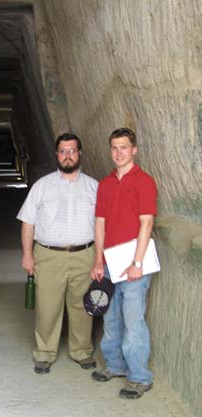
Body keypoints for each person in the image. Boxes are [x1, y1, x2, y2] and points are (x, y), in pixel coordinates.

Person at [17, 133, 98, 374]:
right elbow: (28, 222)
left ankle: (81, 350)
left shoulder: (94, 187)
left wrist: (99, 257)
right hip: (48, 255)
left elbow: (102, 224)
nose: (67, 155)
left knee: (83, 306)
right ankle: (44, 353)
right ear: (56, 154)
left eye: (72, 150)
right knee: (47, 306)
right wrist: (27, 255)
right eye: (63, 151)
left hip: (85, 253)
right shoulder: (42, 186)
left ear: (80, 153)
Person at [90, 127, 157, 399]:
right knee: (111, 318)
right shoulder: (105, 184)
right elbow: (100, 223)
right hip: (109, 262)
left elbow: (147, 222)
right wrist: (98, 260)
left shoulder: (144, 181)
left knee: (133, 321)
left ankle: (140, 377)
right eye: (114, 148)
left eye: (124, 147)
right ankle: (115, 366)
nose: (119, 153)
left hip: (133, 263)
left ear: (134, 149)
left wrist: (137, 263)